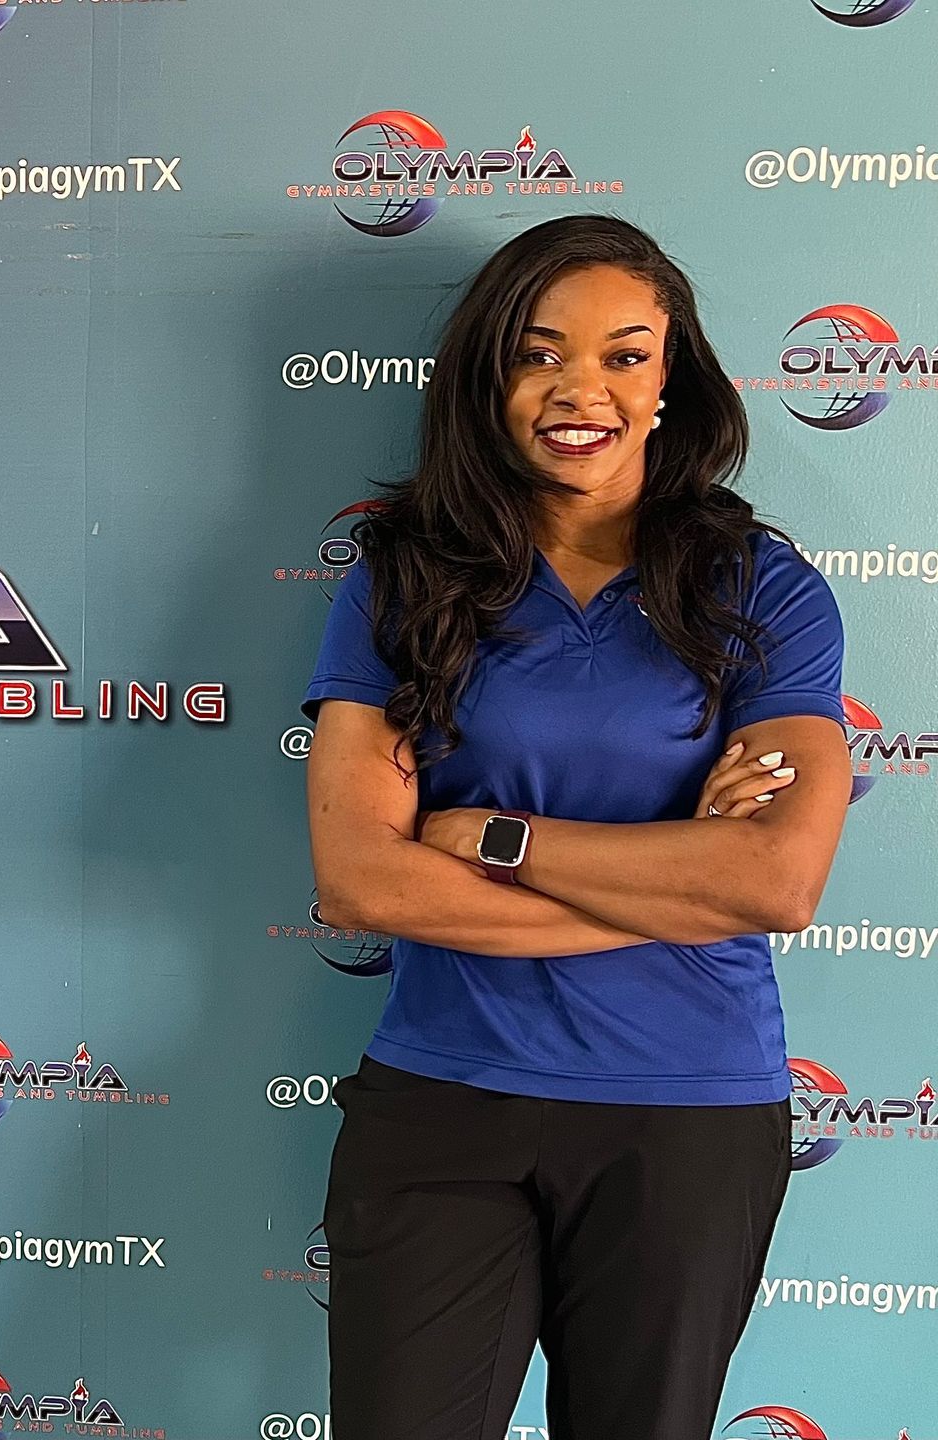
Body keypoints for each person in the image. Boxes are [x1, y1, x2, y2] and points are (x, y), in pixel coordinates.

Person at [300, 214, 850, 1439]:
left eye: (625, 355)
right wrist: (666, 887)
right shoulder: (401, 578)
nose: (579, 389)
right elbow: (358, 882)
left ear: (671, 382)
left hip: (687, 1118)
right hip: (445, 1103)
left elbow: (772, 881)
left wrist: (495, 837)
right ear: (489, 379)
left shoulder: (761, 588)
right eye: (539, 353)